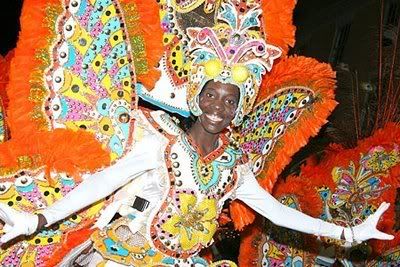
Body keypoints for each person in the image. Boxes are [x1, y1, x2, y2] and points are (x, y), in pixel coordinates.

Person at [0, 1, 394, 266]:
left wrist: (347, 231)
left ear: (238, 109)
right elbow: (102, 184)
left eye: (228, 102)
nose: (216, 109)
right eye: (211, 96)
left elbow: (278, 213)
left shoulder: (233, 169)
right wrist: (37, 220)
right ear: (196, 98)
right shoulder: (158, 144)